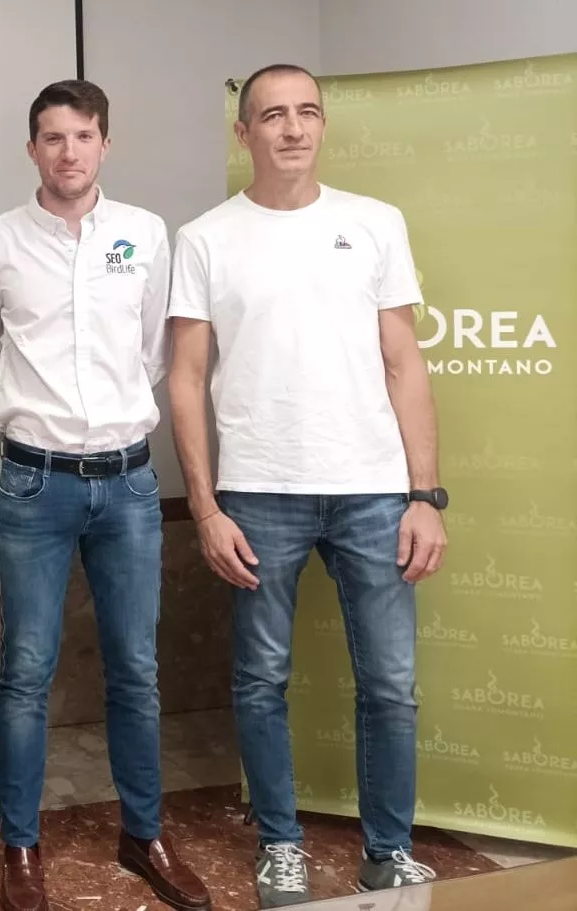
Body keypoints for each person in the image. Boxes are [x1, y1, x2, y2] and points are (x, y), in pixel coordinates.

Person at [167, 63, 447, 908]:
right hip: (259, 492)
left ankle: (388, 851)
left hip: (373, 490)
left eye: (307, 112)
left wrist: (425, 495)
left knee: (390, 685)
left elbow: (404, 362)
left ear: (322, 124)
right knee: (261, 679)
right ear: (243, 131)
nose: (292, 128)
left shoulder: (375, 222)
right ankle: (280, 846)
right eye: (273, 115)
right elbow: (186, 378)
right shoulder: (205, 238)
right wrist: (206, 509)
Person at [0, 80, 213, 911]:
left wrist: (103, 418)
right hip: (34, 483)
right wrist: (42, 417)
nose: (68, 151)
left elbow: (151, 353)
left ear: (106, 142)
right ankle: (21, 848)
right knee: (25, 671)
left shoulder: (145, 234)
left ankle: (145, 834)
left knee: (136, 669)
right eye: (52, 137)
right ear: (31, 149)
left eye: (82, 135)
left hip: (129, 482)